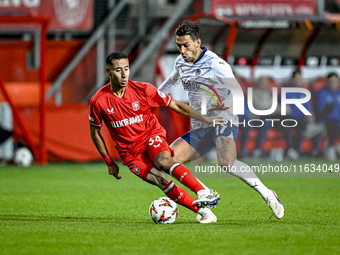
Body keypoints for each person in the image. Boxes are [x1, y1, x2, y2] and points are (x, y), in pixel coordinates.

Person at [159, 21, 284, 219]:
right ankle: (205, 206)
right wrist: (151, 98)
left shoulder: (216, 64)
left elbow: (236, 93)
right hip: (201, 125)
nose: (182, 50)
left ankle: (268, 194)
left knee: (226, 162)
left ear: (198, 42)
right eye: (179, 45)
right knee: (167, 160)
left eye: (186, 45)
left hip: (223, 119)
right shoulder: (180, 62)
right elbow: (170, 82)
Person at [89, 52, 223, 224]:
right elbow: (95, 132)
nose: (124, 74)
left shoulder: (144, 90)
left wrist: (205, 119)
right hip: (130, 154)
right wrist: (109, 162)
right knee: (161, 180)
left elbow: (175, 105)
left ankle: (202, 191)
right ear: (108, 71)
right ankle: (205, 212)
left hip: (151, 136)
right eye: (118, 70)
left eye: (126, 69)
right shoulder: (99, 101)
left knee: (163, 161)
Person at [314, 72, 340, 161]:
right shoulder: (322, 93)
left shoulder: (338, 93)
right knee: (335, 125)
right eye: (331, 81)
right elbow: (321, 110)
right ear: (327, 82)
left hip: (337, 120)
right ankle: (331, 147)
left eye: (335, 81)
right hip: (327, 120)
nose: (333, 83)